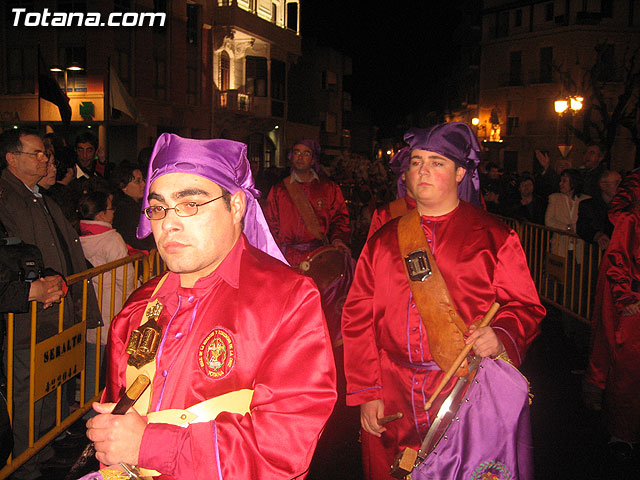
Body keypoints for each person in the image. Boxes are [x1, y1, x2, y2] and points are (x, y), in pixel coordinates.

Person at [85, 134, 337, 479]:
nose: (168, 223)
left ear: (235, 206)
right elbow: (119, 423)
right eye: (158, 208)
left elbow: (285, 445)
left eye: (189, 204)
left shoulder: (286, 300)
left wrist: (151, 444)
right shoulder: (139, 306)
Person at [341, 122, 545, 480]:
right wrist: (366, 391)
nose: (423, 171)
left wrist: (501, 334)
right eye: (417, 161)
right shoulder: (383, 240)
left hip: (465, 391)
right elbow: (357, 318)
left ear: (461, 171)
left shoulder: (495, 236)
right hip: (391, 394)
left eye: (437, 162)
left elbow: (524, 306)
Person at [0, 128, 101, 479]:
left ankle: (44, 448)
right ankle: (26, 465)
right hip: (29, 317)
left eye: (45, 154)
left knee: (50, 384)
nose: (45, 159)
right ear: (12, 159)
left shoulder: (39, 196)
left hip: (56, 312)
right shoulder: (6, 198)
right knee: (28, 391)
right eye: (37, 154)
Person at [78, 190, 135, 401]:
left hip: (88, 308)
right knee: (106, 364)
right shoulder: (112, 239)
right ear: (101, 215)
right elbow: (125, 278)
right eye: (110, 209)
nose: (114, 213)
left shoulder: (78, 238)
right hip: (111, 307)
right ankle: (97, 406)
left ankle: (85, 405)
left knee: (89, 361)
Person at [264, 139, 351, 266]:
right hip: (286, 258)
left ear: (313, 160)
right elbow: (269, 224)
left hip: (319, 257)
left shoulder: (329, 188)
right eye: (297, 152)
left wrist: (337, 238)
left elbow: (340, 218)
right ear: (291, 157)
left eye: (306, 153)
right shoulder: (279, 190)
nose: (300, 157)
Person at [545, 168, 591, 260]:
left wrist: (576, 227)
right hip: (560, 245)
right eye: (560, 181)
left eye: (564, 181)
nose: (560, 184)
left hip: (580, 247)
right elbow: (549, 221)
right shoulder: (554, 198)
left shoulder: (586, 200)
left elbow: (589, 222)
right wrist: (567, 228)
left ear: (573, 182)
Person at [110, 161, 156, 252]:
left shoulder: (138, 205)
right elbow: (140, 241)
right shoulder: (124, 210)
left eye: (143, 180)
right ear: (123, 186)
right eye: (138, 181)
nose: (143, 184)